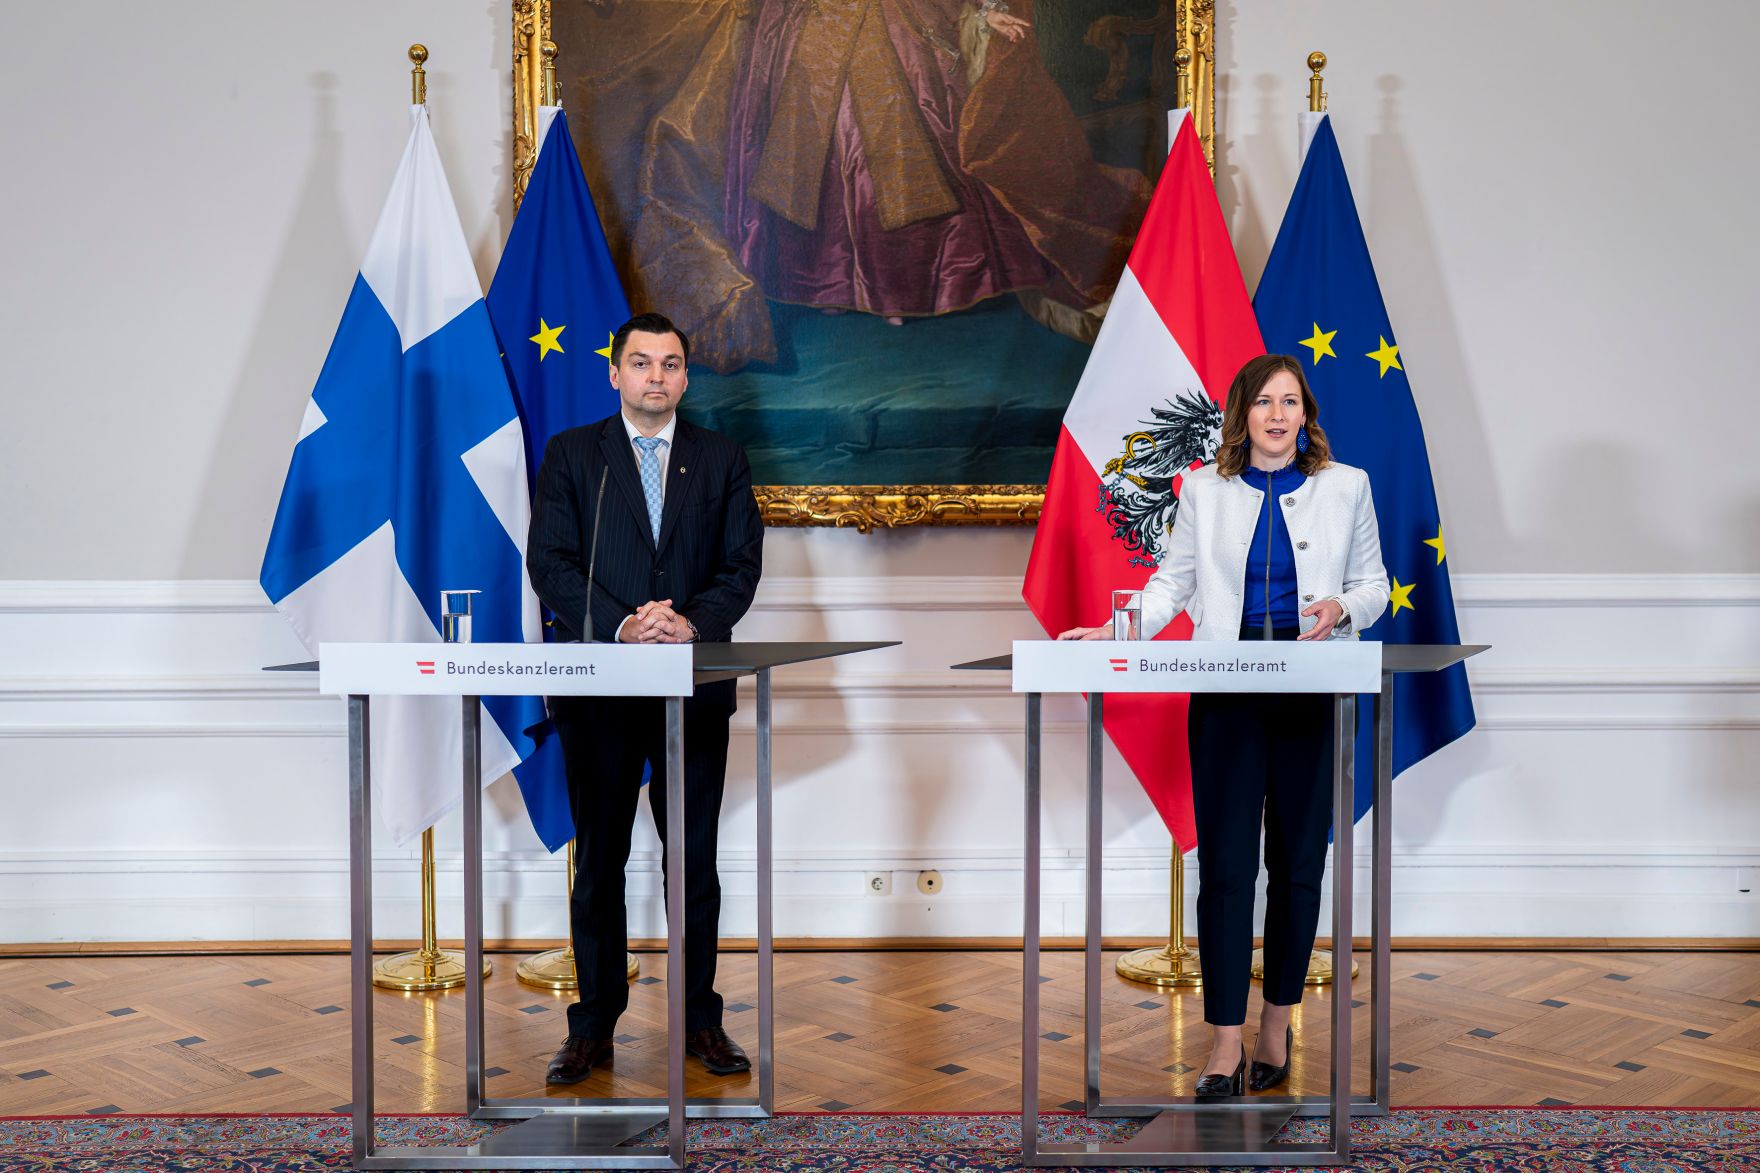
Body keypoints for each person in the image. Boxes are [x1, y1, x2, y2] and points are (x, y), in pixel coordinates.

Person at [1058, 353, 1388, 1097]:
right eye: (1265, 402)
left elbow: (1375, 584)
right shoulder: (1204, 490)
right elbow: (1173, 582)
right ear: (1242, 414)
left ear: (1307, 414)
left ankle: (1277, 1023)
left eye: (1291, 402)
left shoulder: (1348, 487)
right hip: (1227, 697)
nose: (1278, 415)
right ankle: (1224, 1042)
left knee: (1300, 864)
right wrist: (1116, 631)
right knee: (1229, 869)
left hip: (1312, 691)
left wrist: (1343, 609)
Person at [526, 312, 765, 1083]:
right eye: (641, 362)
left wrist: (688, 622)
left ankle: (702, 1020)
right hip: (600, 691)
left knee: (692, 862)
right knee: (601, 861)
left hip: (693, 688)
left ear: (686, 377)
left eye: (670, 363)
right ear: (615, 372)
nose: (655, 375)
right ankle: (592, 1025)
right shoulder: (573, 455)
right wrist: (626, 622)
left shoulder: (721, 458)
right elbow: (552, 562)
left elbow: (742, 564)